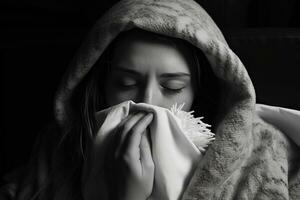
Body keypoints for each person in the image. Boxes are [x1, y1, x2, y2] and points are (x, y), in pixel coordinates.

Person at [1, 0, 300, 199]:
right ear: (100, 84)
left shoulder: (260, 152)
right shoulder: (59, 149)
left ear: (200, 90)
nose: (147, 101)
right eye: (126, 83)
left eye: (172, 87)